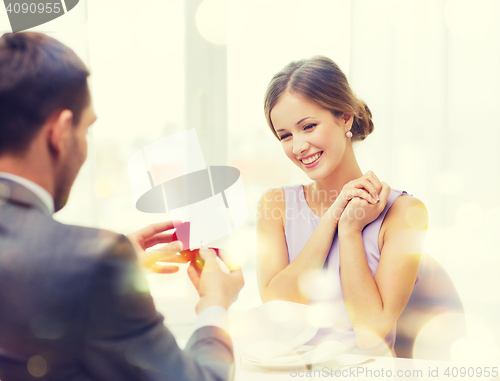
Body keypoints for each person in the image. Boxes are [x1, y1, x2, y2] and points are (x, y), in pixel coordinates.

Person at [0, 32, 243, 380]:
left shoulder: (87, 261)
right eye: (86, 130)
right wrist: (215, 307)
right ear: (60, 131)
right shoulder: (93, 263)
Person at [257, 56, 427, 355]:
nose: (297, 147)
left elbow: (370, 333)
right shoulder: (276, 205)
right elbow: (277, 315)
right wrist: (333, 216)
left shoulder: (403, 213)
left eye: (308, 126)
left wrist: (350, 230)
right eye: (285, 136)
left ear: (345, 117)